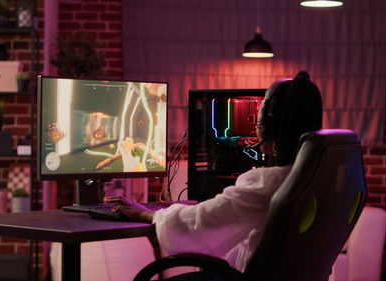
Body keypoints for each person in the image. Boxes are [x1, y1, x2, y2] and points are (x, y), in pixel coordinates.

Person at [112, 70, 323, 280]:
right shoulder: (314, 176)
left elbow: (194, 225)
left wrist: (148, 214)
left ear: (268, 124)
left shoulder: (267, 183)